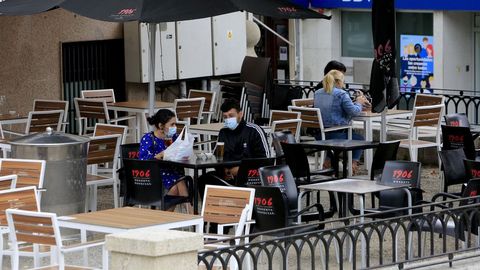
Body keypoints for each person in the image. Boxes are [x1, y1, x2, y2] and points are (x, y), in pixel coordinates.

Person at [198, 99, 270, 195]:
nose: (228, 119)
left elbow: (266, 161)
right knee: (203, 180)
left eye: (231, 116)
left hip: (251, 177)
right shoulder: (223, 132)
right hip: (228, 176)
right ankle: (211, 209)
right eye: (225, 117)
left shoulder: (254, 131)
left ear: (240, 114)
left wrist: (241, 170)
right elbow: (217, 158)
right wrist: (224, 170)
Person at [314, 70, 370, 174]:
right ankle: (352, 165)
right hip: (335, 134)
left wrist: (354, 103)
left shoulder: (317, 93)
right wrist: (359, 102)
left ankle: (328, 160)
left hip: (320, 135)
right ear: (339, 82)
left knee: (334, 138)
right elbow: (354, 112)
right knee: (360, 139)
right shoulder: (341, 94)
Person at [138, 109, 192, 212]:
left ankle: (164, 221)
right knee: (179, 182)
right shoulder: (149, 139)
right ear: (161, 125)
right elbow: (143, 163)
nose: (175, 128)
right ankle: (192, 215)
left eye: (175, 124)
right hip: (155, 178)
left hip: (173, 175)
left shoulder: (175, 138)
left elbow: (182, 153)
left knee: (179, 182)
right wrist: (160, 155)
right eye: (172, 125)